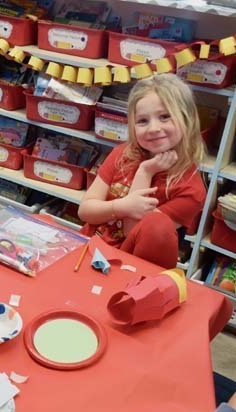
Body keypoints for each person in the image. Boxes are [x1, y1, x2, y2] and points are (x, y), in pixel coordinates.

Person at [78, 74, 206, 269]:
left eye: (165, 117)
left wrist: (145, 172)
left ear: (187, 119)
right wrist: (121, 206)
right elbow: (85, 211)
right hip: (89, 250)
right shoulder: (122, 153)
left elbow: (133, 231)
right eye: (143, 121)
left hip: (130, 265)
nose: (153, 128)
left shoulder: (190, 189)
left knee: (157, 223)